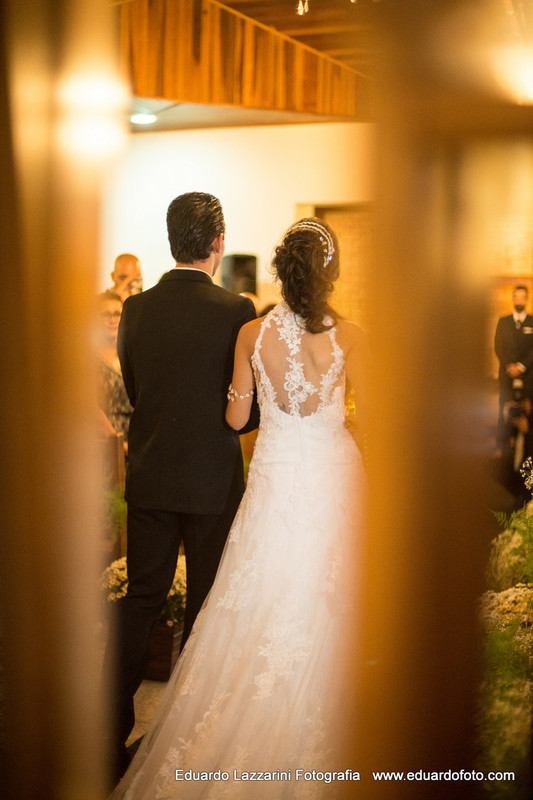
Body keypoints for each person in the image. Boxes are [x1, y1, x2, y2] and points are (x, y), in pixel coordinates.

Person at [109, 217, 367, 799]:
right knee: (304, 598)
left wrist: (266, 411)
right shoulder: (321, 328)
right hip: (300, 477)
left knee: (171, 600)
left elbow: (209, 407)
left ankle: (117, 732)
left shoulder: (226, 325)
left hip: (193, 476)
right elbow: (369, 416)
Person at [105, 193, 258, 781]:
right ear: (217, 242)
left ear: (172, 240)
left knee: (141, 599)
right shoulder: (236, 309)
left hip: (151, 473)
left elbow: (134, 387)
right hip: (212, 479)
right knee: (205, 602)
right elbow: (242, 405)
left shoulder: (136, 308)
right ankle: (188, 736)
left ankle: (107, 733)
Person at [95, 291, 133, 453]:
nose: (112, 320)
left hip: (136, 440)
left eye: (117, 314)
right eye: (106, 315)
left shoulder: (132, 353)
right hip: (103, 442)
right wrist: (118, 444)